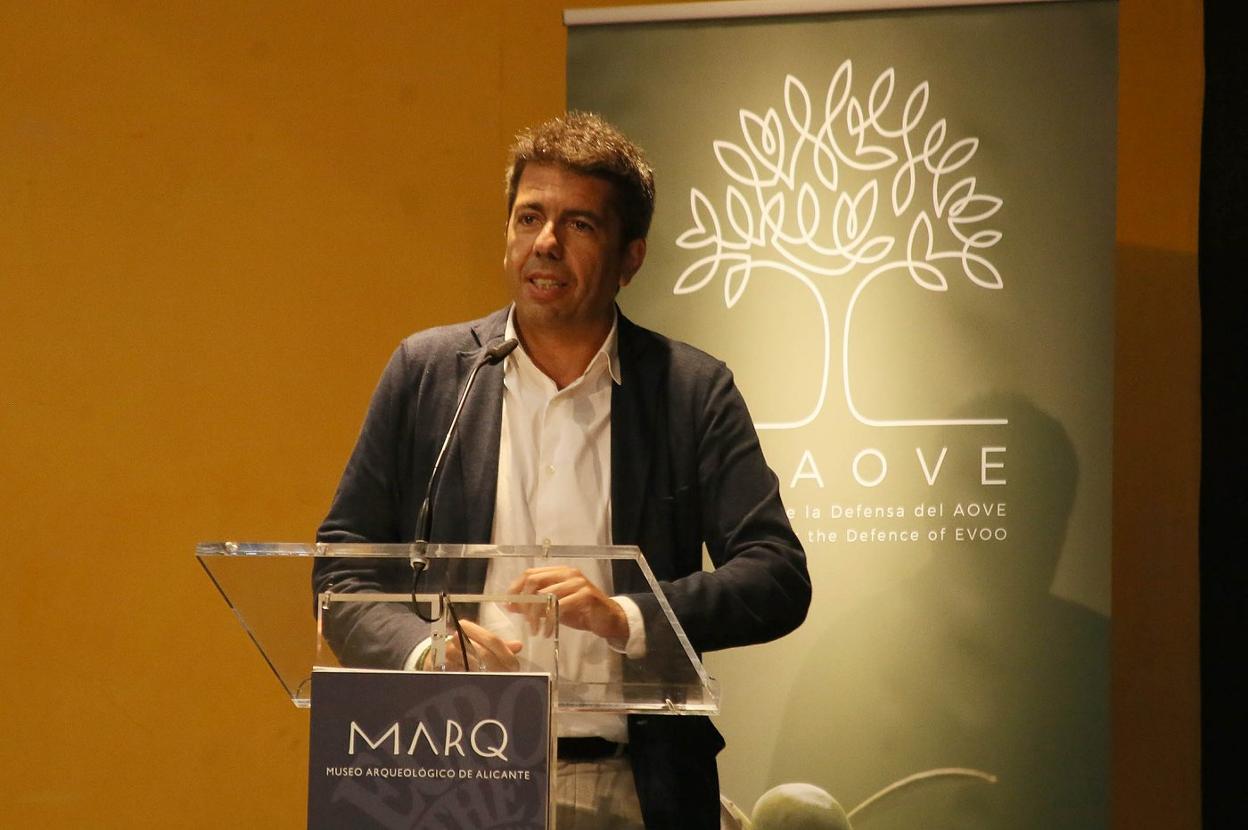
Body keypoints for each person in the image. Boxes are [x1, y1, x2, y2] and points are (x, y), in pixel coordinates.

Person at [315, 112, 810, 828]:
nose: (545, 242)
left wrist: (627, 614)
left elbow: (776, 575)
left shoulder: (691, 391)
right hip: (446, 769)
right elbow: (342, 567)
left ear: (630, 258)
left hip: (631, 787)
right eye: (529, 218)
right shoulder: (428, 374)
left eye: (579, 224)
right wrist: (425, 650)